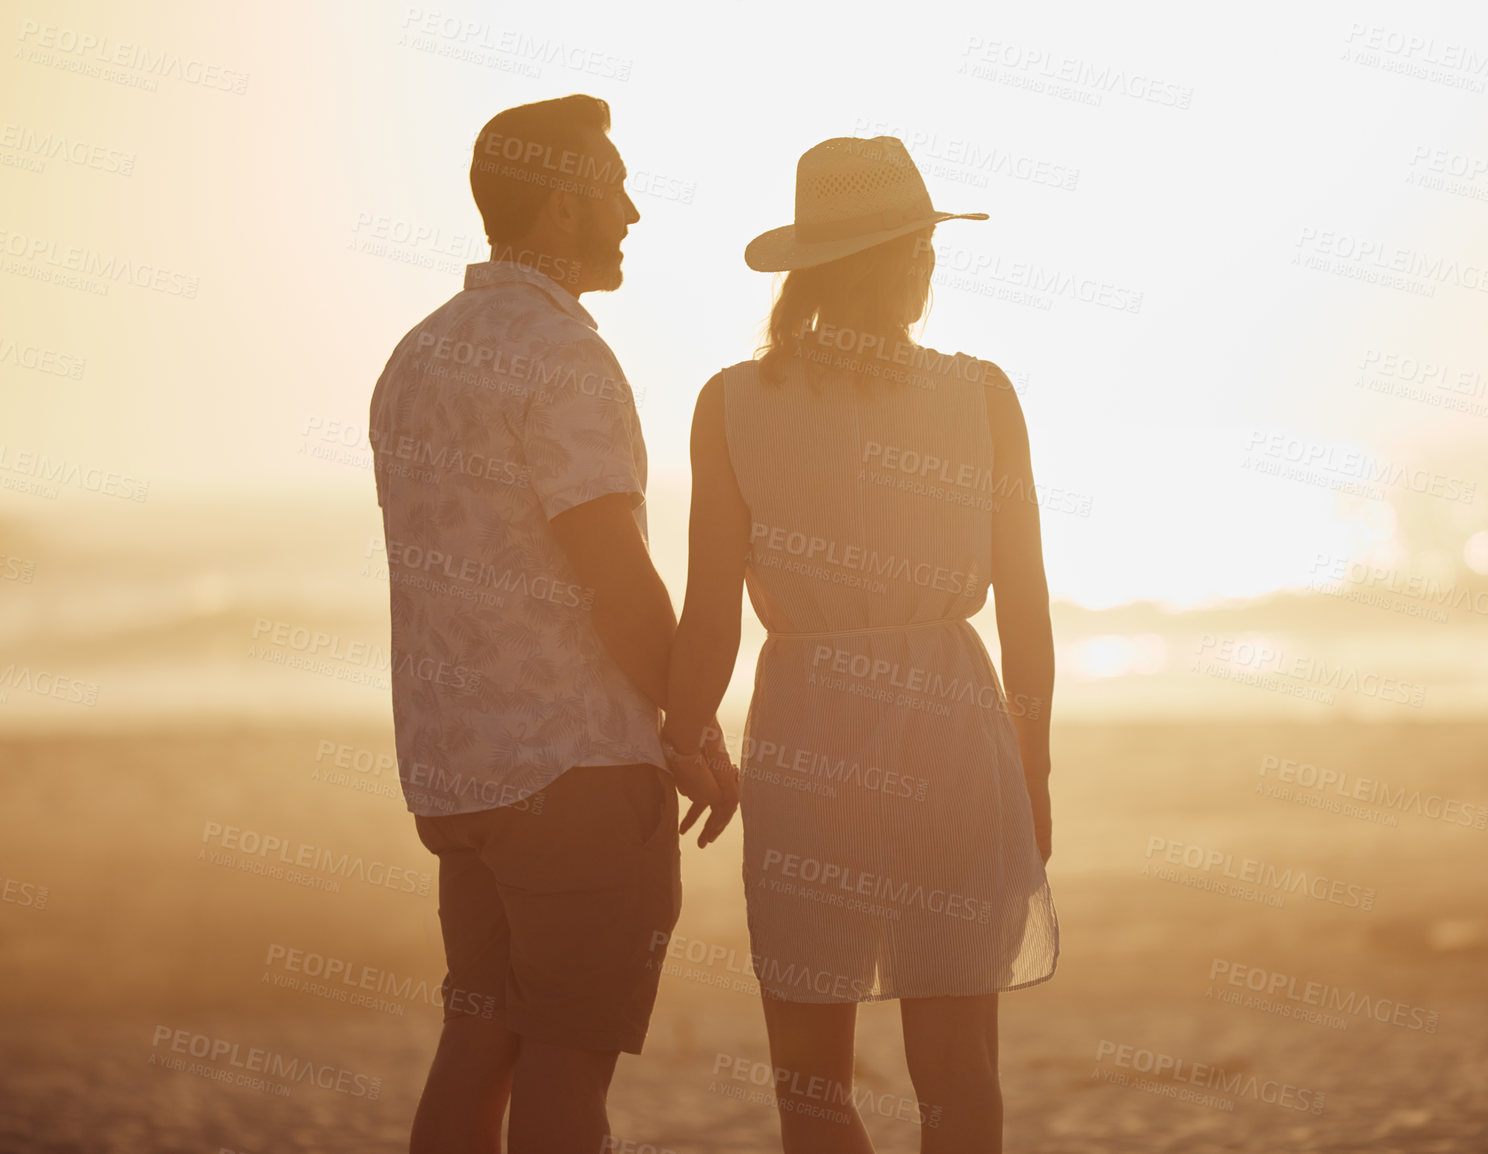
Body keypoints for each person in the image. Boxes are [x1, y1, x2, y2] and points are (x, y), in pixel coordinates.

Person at [660, 136, 1059, 1154]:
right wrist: (1033, 762)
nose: (931, 264)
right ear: (904, 260)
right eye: (923, 245)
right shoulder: (983, 395)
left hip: (807, 731)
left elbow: (710, 615)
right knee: (959, 1074)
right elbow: (1024, 605)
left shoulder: (732, 403)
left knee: (807, 1079)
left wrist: (683, 733)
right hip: (953, 730)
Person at [368, 94, 735, 1154]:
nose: (633, 211)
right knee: (569, 1081)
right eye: (616, 188)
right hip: (573, 775)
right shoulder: (567, 356)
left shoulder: (417, 356)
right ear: (567, 206)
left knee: (475, 1046)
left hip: (457, 775)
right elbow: (613, 576)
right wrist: (690, 726)